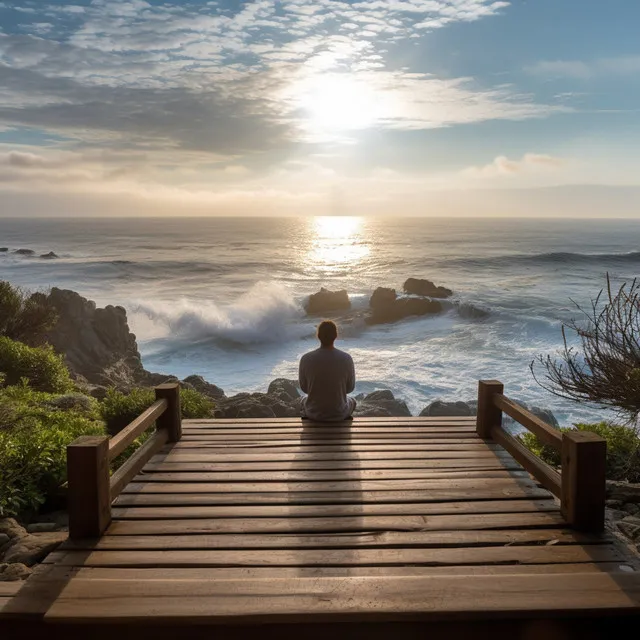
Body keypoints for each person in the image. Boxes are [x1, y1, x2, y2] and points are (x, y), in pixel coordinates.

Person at [299, 320, 356, 421]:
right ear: (335, 336)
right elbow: (350, 388)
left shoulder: (306, 358)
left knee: (303, 400)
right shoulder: (346, 358)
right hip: (339, 414)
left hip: (314, 414)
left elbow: (305, 389)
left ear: (318, 336)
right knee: (352, 401)